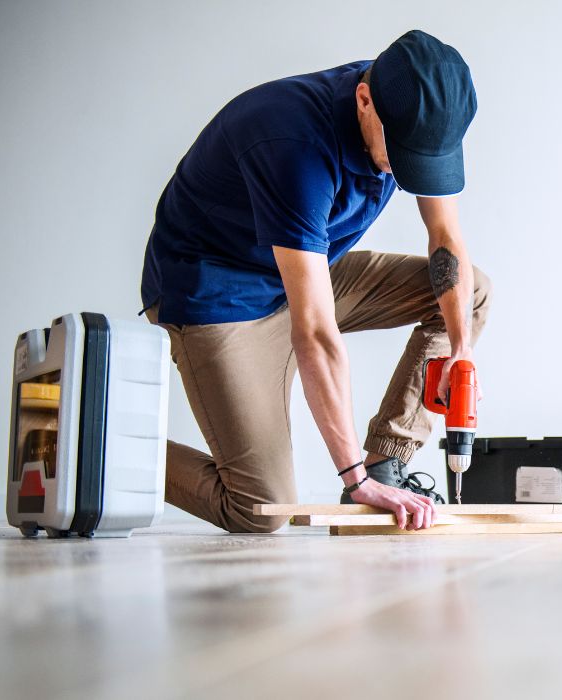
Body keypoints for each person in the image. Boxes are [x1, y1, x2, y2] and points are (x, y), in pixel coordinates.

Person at [140, 30, 491, 533]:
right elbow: (316, 332)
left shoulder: (412, 102)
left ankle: (385, 462)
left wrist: (460, 351)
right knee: (258, 508)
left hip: (307, 268)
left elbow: (445, 239)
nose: (406, 172)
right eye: (403, 157)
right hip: (220, 295)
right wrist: (353, 483)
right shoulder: (293, 145)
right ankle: (101, 437)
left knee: (469, 291)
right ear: (363, 101)